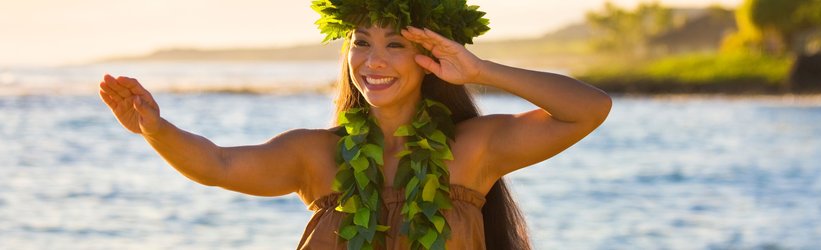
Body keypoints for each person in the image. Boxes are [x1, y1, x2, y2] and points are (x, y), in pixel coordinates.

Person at [99, 1, 611, 249]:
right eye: (361, 43)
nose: (374, 61)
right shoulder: (315, 155)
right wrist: (155, 129)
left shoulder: (474, 148)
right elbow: (218, 163)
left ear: (428, 55)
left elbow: (588, 108)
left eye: (396, 45)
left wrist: (479, 69)